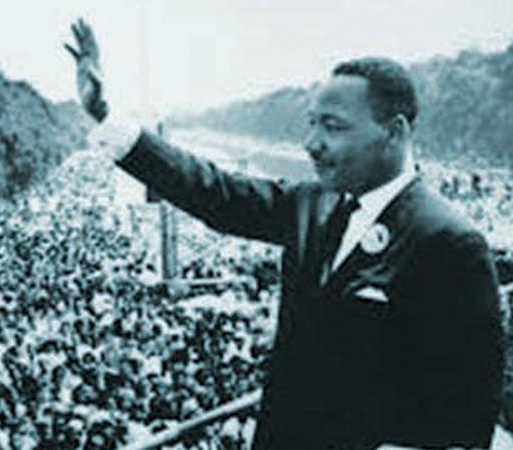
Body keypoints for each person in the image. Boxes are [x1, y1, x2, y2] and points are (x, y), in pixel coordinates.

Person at [64, 19, 504, 450]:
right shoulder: (312, 203)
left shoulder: (450, 243)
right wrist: (106, 115)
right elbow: (212, 191)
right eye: (311, 123)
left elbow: (464, 419)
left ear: (395, 132)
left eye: (333, 126)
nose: (311, 143)